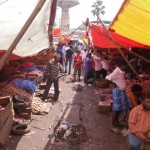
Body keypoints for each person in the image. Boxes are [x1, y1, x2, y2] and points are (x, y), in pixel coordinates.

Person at [106, 67, 132, 134]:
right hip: (118, 91)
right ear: (122, 65)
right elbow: (108, 78)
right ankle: (113, 126)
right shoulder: (117, 71)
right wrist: (115, 83)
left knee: (122, 107)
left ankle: (117, 122)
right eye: (125, 66)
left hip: (121, 91)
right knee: (115, 108)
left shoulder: (121, 71)